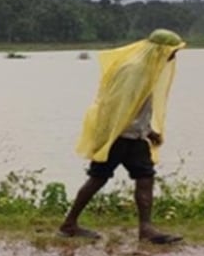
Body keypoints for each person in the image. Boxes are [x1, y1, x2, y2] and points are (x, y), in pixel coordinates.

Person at [59, 29, 185, 244]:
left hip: (134, 136)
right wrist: (116, 133)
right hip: (118, 135)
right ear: (159, 50)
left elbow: (137, 108)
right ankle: (69, 224)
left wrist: (148, 131)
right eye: (172, 51)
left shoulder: (148, 71)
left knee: (145, 178)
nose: (174, 56)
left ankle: (146, 229)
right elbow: (116, 105)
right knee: (98, 178)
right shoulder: (134, 71)